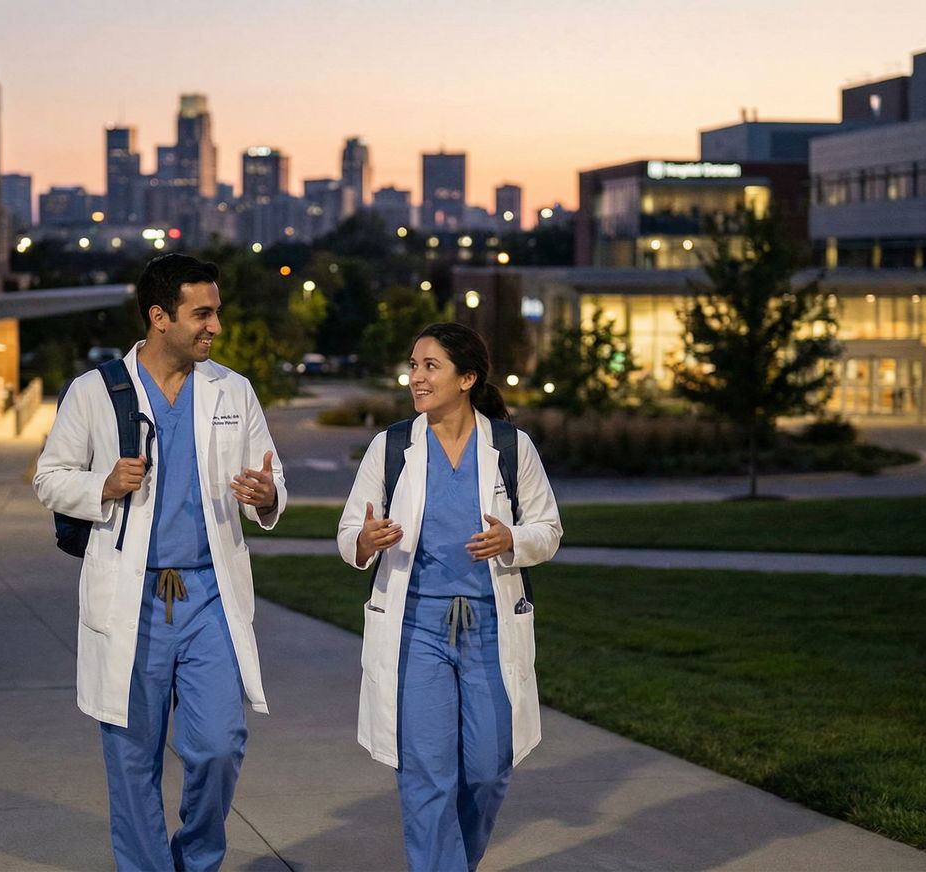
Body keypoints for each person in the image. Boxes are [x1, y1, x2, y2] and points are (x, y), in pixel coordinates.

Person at [34, 253, 286, 872]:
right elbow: (49, 478)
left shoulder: (233, 389)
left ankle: (197, 858)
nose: (214, 327)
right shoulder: (96, 393)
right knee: (132, 758)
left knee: (219, 746)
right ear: (159, 317)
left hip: (208, 597)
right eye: (202, 314)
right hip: (132, 599)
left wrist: (268, 495)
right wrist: (103, 484)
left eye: (216, 313)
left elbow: (271, 477)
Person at [336, 322, 562, 871]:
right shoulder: (392, 447)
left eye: (430, 366)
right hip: (416, 629)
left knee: (488, 768)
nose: (416, 377)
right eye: (413, 365)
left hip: (490, 626)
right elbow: (349, 534)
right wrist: (366, 540)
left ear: (468, 378)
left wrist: (513, 539)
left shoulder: (510, 446)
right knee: (426, 773)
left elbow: (549, 529)